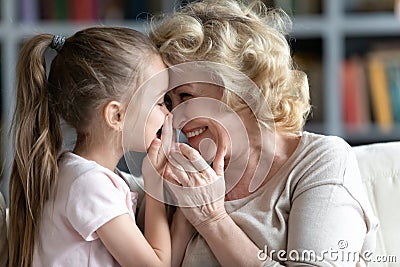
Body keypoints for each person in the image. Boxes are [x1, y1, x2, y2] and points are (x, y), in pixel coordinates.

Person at [148, 0, 379, 266]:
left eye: (185, 96)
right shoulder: (185, 174)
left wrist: (212, 220)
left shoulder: (321, 161)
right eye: (168, 102)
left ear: (240, 90)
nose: (174, 119)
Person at [8, 26, 172, 267]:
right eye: (160, 102)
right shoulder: (90, 186)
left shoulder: (77, 173)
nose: (169, 114)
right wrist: (156, 185)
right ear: (116, 116)